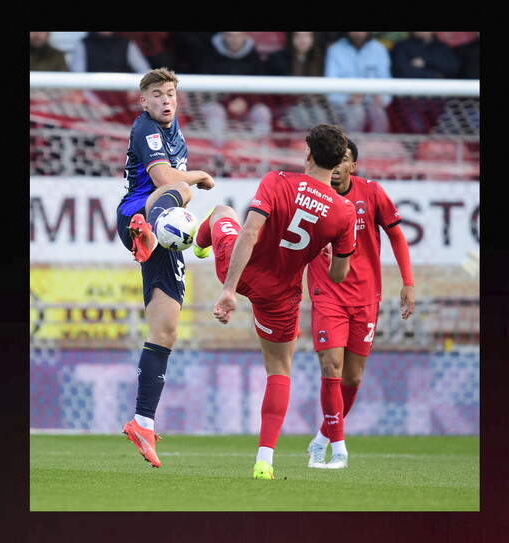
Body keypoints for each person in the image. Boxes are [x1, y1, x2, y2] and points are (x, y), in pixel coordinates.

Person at [193, 123, 358, 480]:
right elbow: (338, 276)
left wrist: (228, 290)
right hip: (279, 294)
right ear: (337, 164)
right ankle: (264, 461)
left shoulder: (277, 180)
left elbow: (250, 233)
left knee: (223, 212)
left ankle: (198, 242)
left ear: (308, 154)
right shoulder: (345, 213)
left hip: (241, 270)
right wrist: (320, 247)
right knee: (279, 370)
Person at [116, 68, 216, 468]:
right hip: (135, 215)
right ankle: (150, 230)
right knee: (183, 188)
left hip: (162, 239)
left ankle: (142, 422)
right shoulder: (146, 130)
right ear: (144, 101)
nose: (164, 100)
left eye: (170, 93)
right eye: (156, 94)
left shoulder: (177, 133)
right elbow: (165, 178)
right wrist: (200, 176)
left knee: (166, 330)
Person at [304, 138, 416, 469]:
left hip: (366, 297)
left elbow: (396, 236)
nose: (337, 165)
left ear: (353, 165)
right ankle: (339, 449)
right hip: (327, 296)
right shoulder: (310, 196)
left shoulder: (372, 193)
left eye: (344, 160)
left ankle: (322, 438)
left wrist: (408, 282)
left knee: (352, 379)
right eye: (333, 159)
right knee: (330, 368)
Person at [198, 32, 272, 142]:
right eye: (230, 35)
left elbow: (261, 88)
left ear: (245, 36)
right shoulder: (210, 55)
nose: (235, 39)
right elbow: (204, 88)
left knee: (262, 112)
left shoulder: (254, 57)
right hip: (218, 104)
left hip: (247, 105)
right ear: (224, 36)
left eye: (238, 35)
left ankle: (261, 154)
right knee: (216, 112)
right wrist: (227, 103)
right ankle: (217, 155)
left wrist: (245, 102)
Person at [324, 32, 393, 134]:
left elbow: (387, 84)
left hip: (372, 101)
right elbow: (330, 90)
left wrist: (380, 98)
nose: (358, 33)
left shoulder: (379, 49)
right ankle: (352, 147)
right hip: (344, 104)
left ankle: (377, 146)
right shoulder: (335, 50)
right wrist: (348, 98)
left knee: (377, 112)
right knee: (356, 112)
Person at [267, 31, 332, 131]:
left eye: (306, 36)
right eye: (298, 36)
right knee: (300, 115)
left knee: (320, 117)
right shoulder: (278, 59)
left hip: (315, 106)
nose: (302, 40)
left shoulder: (321, 59)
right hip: (288, 107)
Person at [70, 31, 152, 73]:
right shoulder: (83, 44)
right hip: (92, 94)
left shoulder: (126, 44)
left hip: (121, 92)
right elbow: (77, 74)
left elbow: (144, 71)